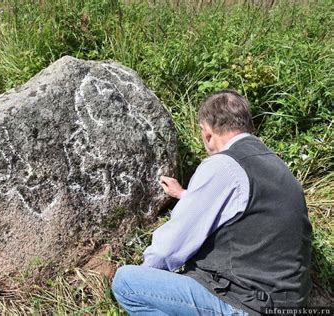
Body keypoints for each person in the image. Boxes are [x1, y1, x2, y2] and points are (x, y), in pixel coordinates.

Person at [111, 89, 312, 315]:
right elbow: (246, 210)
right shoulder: (275, 164)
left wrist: (149, 273)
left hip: (244, 304)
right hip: (286, 303)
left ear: (207, 132)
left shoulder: (223, 166)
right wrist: (186, 195)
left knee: (126, 283)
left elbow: (170, 247)